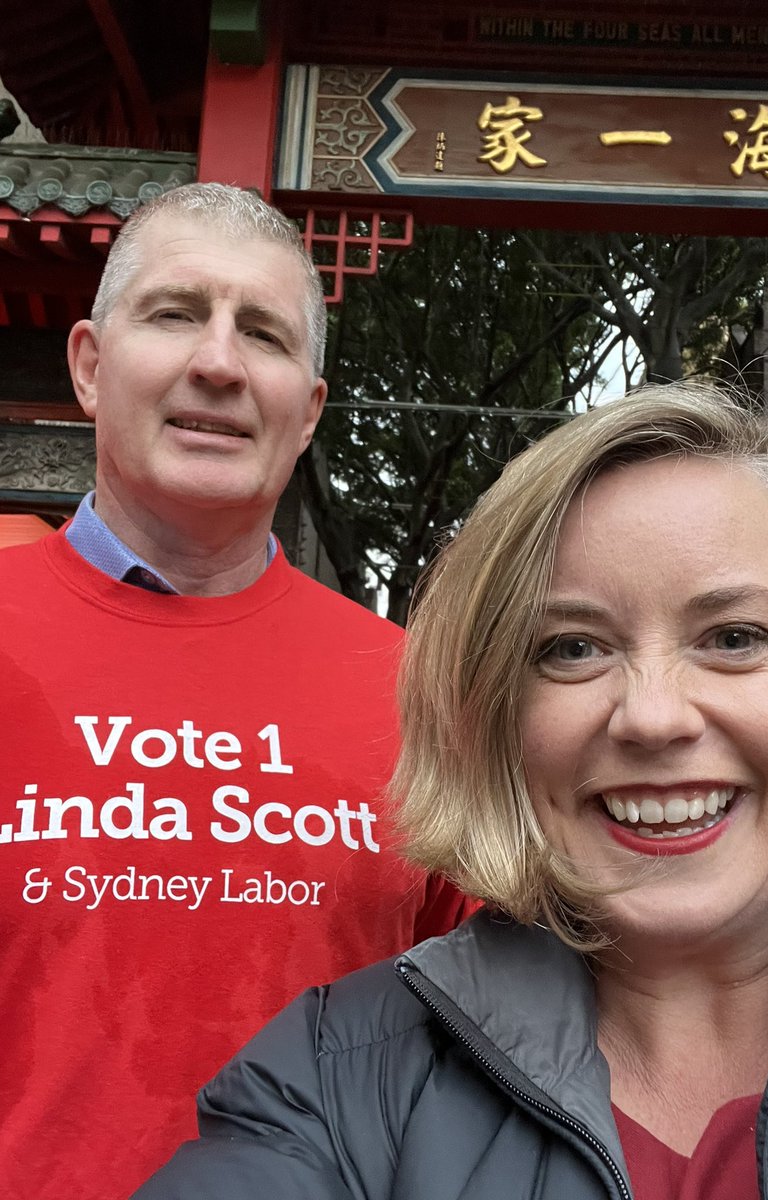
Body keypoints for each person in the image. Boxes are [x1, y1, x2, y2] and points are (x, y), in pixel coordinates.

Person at [134, 381, 768, 1200]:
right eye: (572, 648)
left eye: (735, 638)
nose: (651, 717)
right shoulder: (330, 1082)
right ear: (498, 716)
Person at [0, 183, 470, 1200]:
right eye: (175, 314)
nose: (217, 362)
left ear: (306, 410)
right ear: (89, 366)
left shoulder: (413, 691)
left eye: (262, 332)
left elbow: (493, 1038)